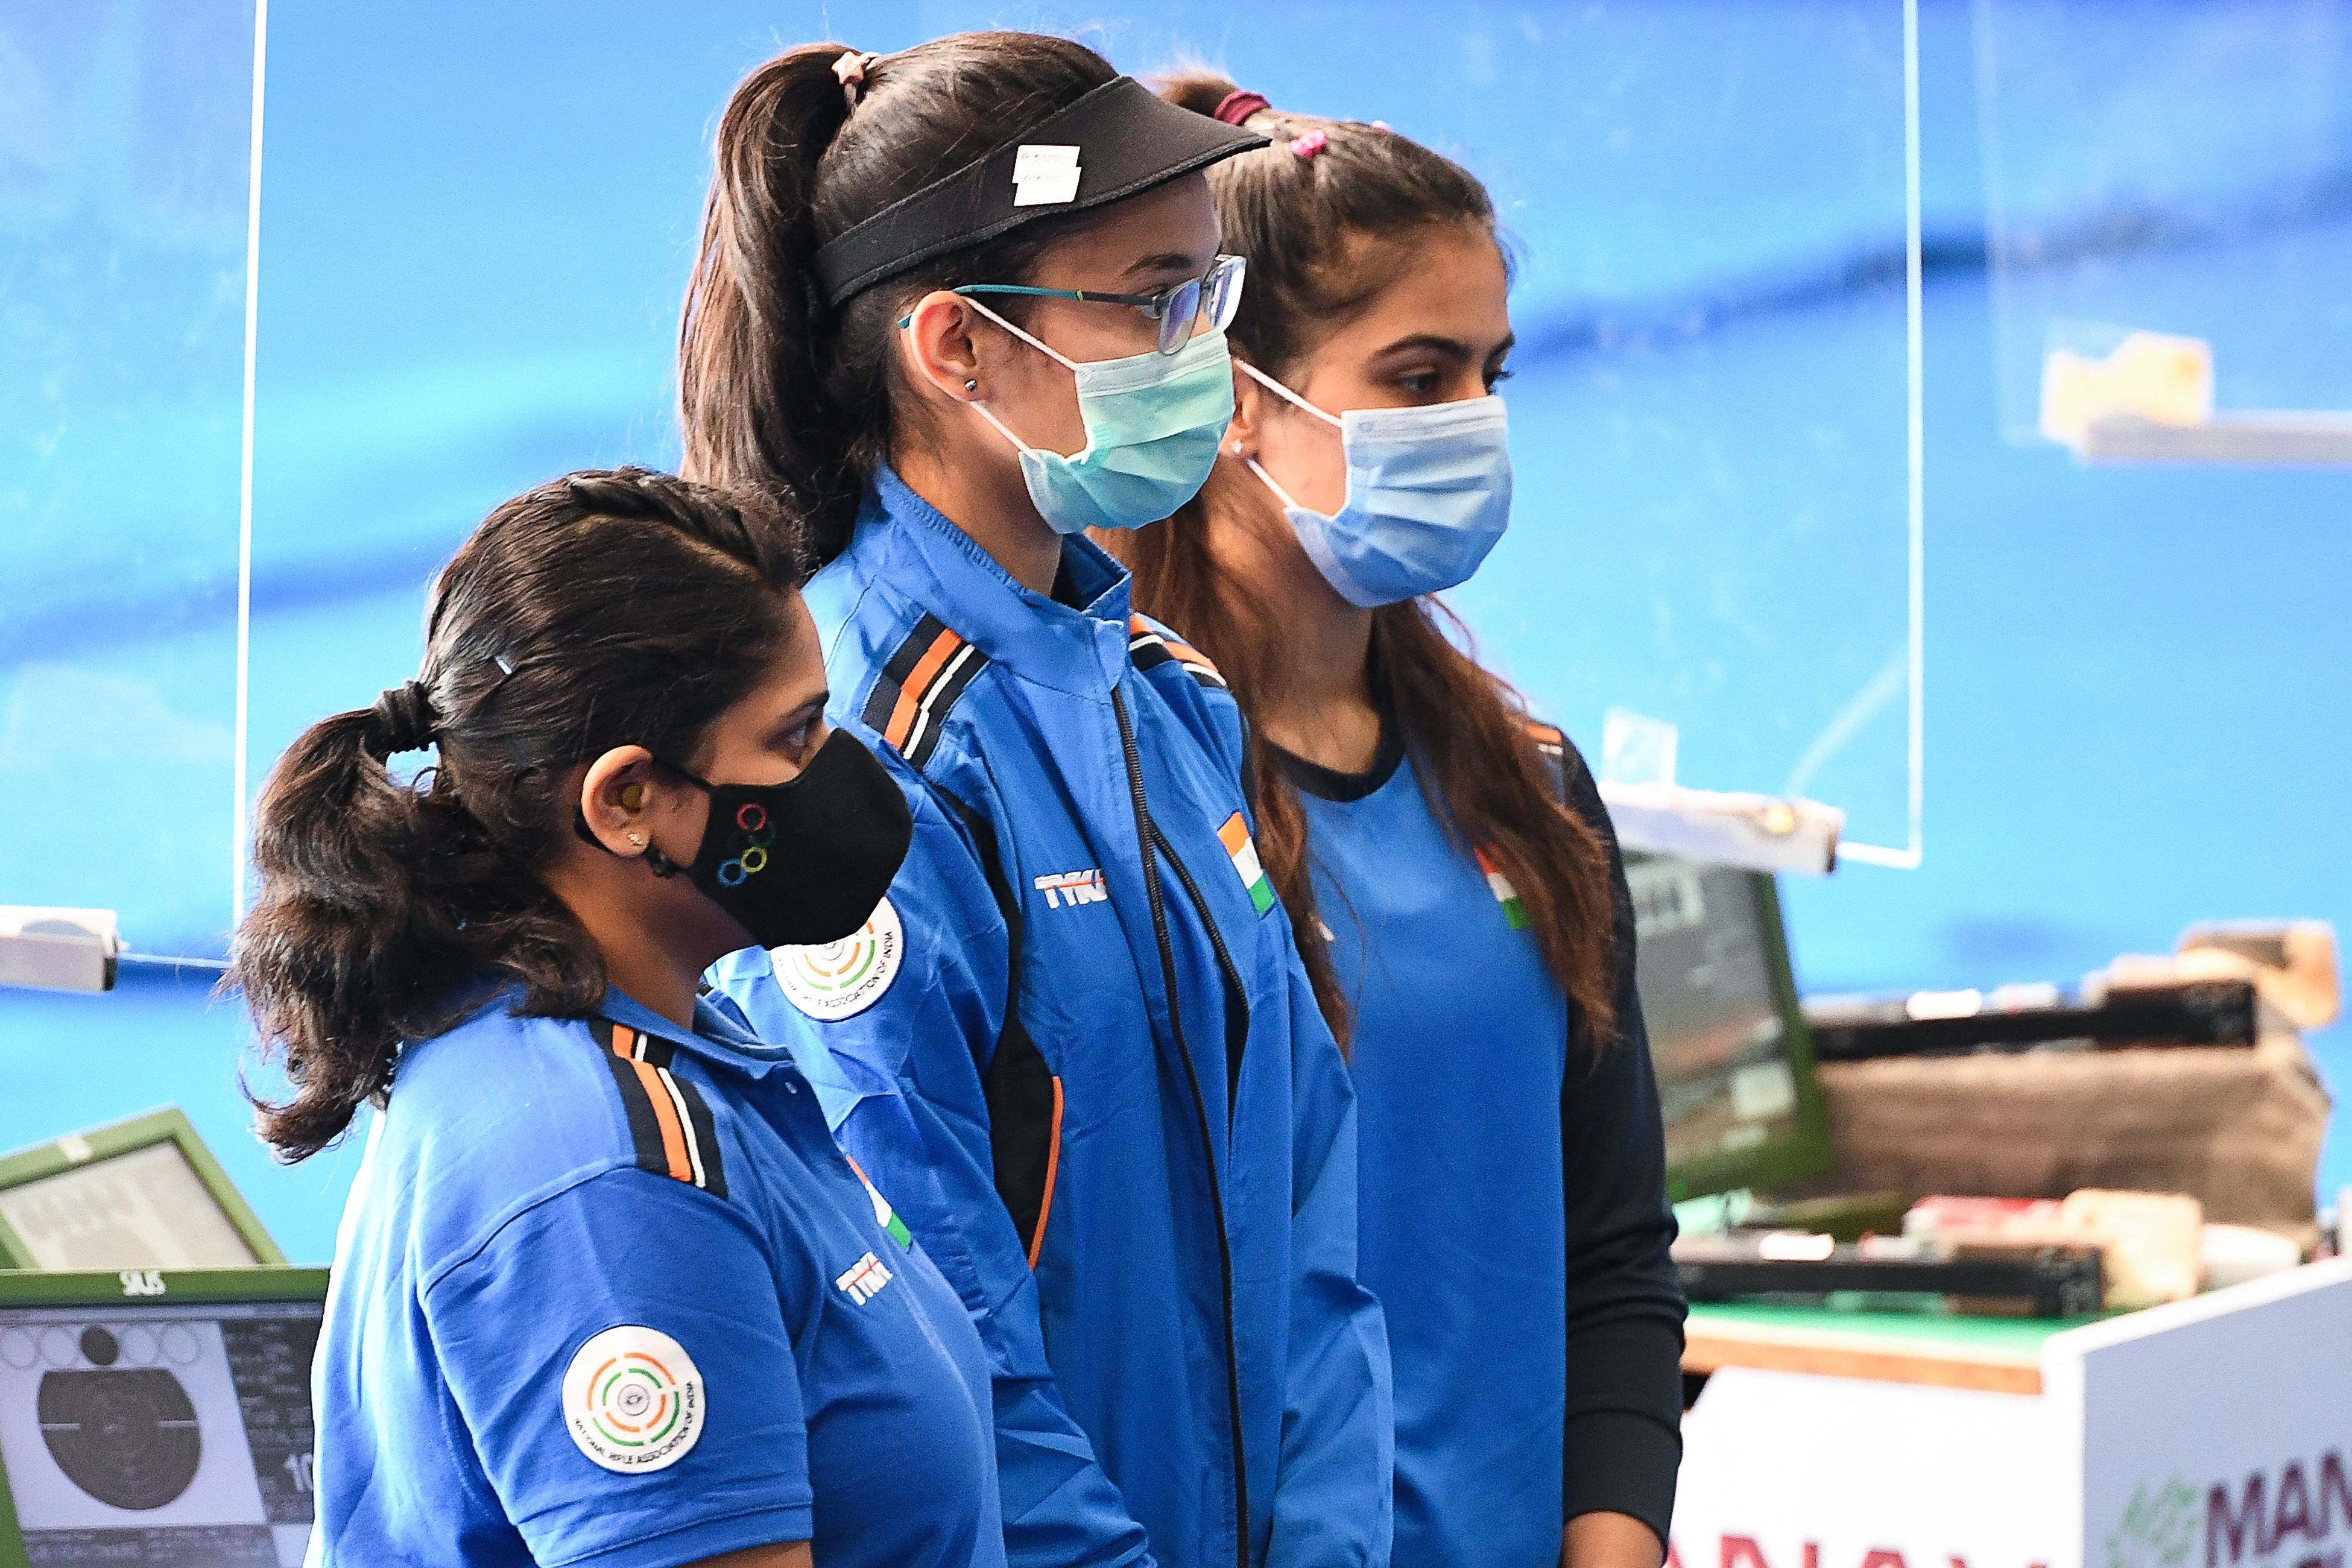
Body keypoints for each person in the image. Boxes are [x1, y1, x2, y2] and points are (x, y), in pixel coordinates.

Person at [678, 34, 1391, 1568]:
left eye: (1208, 296)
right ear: (957, 347)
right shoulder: (853, 756)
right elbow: (929, 1320)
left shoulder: (1163, 692)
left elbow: (1312, 1194)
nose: (1198, 352)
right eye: (1149, 301)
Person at [1105, 77, 1687, 1568]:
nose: (1476, 424)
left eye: (1494, 372)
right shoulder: (1123, 807)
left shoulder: (1532, 790)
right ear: (1236, 397)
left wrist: (1612, 1541)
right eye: (1421, 378)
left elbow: (1612, 1256)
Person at [233, 469, 1007, 1568]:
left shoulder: (666, 1048)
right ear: (627, 802)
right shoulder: (606, 1183)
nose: (840, 771)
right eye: (793, 739)